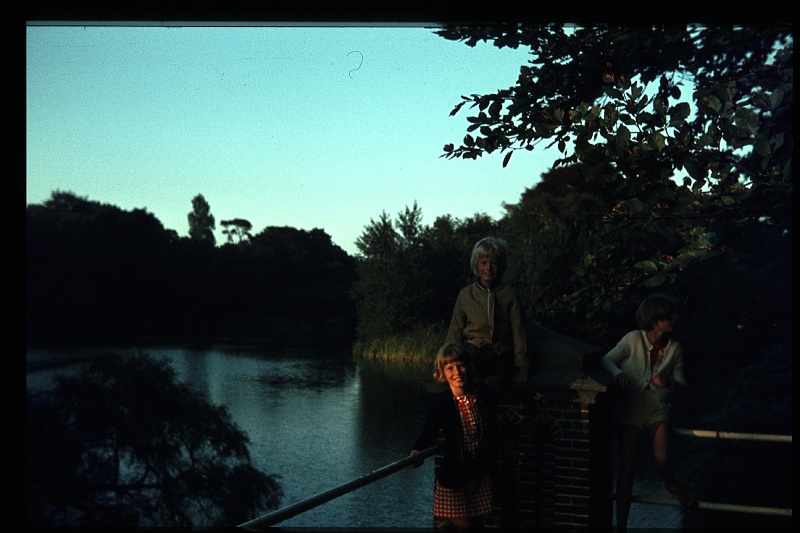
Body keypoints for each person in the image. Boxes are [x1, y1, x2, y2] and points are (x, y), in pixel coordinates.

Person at [601, 292, 696, 530]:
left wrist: (669, 384)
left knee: (661, 453)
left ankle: (672, 484)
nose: (674, 319)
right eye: (668, 316)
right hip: (631, 406)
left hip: (658, 406)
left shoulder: (674, 349)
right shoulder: (633, 339)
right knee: (628, 467)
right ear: (655, 320)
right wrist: (619, 374)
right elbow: (607, 360)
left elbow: (682, 384)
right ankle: (621, 525)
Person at [409, 343, 500, 529]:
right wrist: (417, 450)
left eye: (460, 366)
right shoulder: (440, 403)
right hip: (455, 476)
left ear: (469, 367)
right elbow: (429, 431)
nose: (457, 372)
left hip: (479, 472)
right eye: (450, 368)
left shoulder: (484, 395)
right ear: (442, 373)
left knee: (477, 524)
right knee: (464, 527)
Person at [445, 237, 529, 400]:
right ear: (476, 265)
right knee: (470, 386)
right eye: (483, 263)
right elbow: (455, 331)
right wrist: (446, 363)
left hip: (501, 353)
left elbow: (520, 332)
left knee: (493, 388)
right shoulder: (466, 295)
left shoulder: (510, 294)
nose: (488, 268)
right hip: (473, 352)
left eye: (493, 263)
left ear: (501, 265)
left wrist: (523, 367)